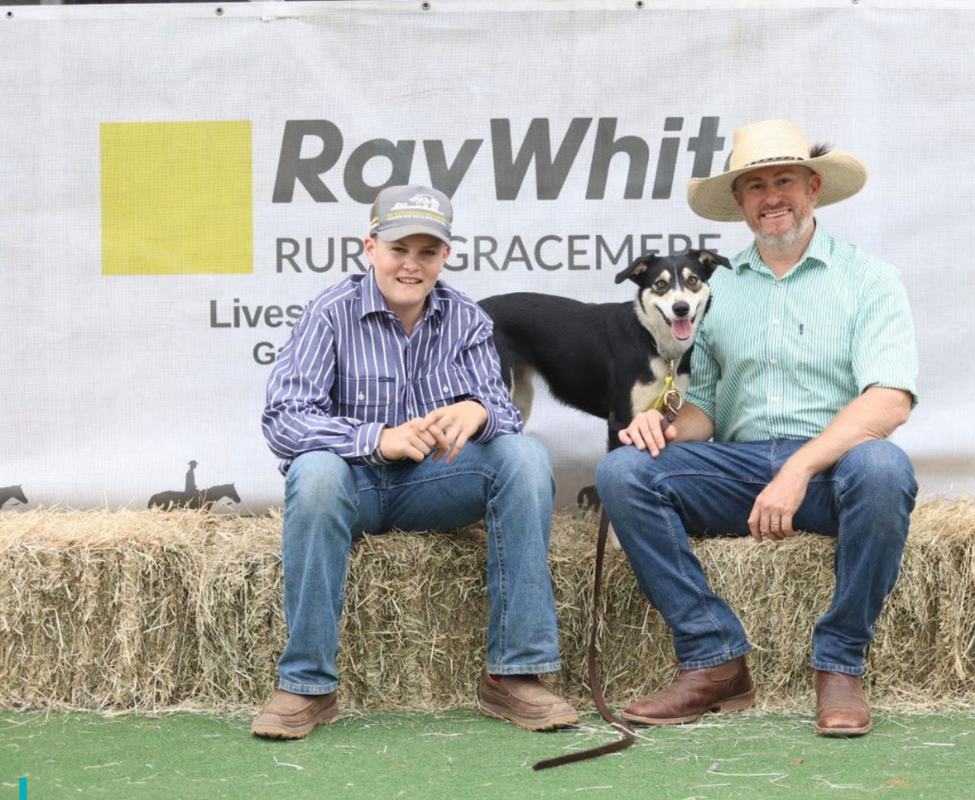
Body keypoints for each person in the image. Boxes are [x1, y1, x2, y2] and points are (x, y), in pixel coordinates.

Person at [595, 119, 918, 737]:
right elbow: (707, 410)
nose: (772, 197)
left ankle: (840, 665)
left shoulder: (869, 279)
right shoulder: (716, 293)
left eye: (785, 181)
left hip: (831, 473)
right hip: (740, 469)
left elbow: (889, 403)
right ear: (741, 204)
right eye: (756, 186)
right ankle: (714, 660)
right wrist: (657, 425)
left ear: (814, 187)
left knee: (884, 466)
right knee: (623, 469)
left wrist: (799, 468)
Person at [253, 185, 577, 739]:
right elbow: (283, 419)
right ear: (370, 247)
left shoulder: (466, 318)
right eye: (399, 249)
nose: (412, 264)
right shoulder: (328, 314)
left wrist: (479, 409)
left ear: (445, 257)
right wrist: (377, 438)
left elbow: (503, 410)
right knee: (314, 472)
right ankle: (307, 685)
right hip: (349, 484)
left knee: (523, 455)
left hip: (432, 484)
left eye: (428, 252)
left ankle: (514, 674)